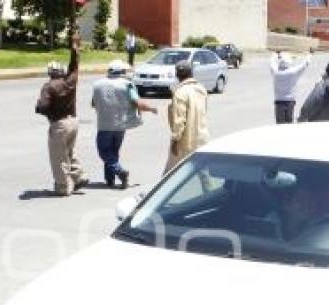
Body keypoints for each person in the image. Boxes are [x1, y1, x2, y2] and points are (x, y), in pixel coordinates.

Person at [35, 34, 88, 196]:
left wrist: (40, 108)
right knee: (69, 151)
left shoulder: (49, 87)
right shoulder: (69, 82)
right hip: (73, 122)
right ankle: (79, 177)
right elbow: (75, 67)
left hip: (59, 124)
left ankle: (63, 187)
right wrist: (75, 51)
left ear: (50, 73)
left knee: (58, 157)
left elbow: (43, 106)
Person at [92, 60, 157, 189]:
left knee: (104, 152)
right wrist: (151, 109)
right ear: (121, 72)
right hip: (121, 126)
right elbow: (137, 102)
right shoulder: (127, 85)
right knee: (113, 152)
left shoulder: (98, 85)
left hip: (104, 125)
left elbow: (94, 104)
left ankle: (119, 171)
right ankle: (110, 179)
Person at [165, 61, 210, 173]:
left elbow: (179, 121)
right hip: (202, 137)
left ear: (177, 75)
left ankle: (161, 191)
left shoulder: (180, 93)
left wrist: (175, 140)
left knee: (170, 174)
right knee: (202, 171)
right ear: (191, 73)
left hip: (185, 141)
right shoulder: (201, 89)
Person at [270, 51, 311, 124]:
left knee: (280, 125)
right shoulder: (293, 72)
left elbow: (271, 63)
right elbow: (305, 64)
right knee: (289, 124)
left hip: (279, 102)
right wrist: (309, 55)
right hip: (290, 102)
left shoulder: (276, 72)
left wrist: (275, 55)